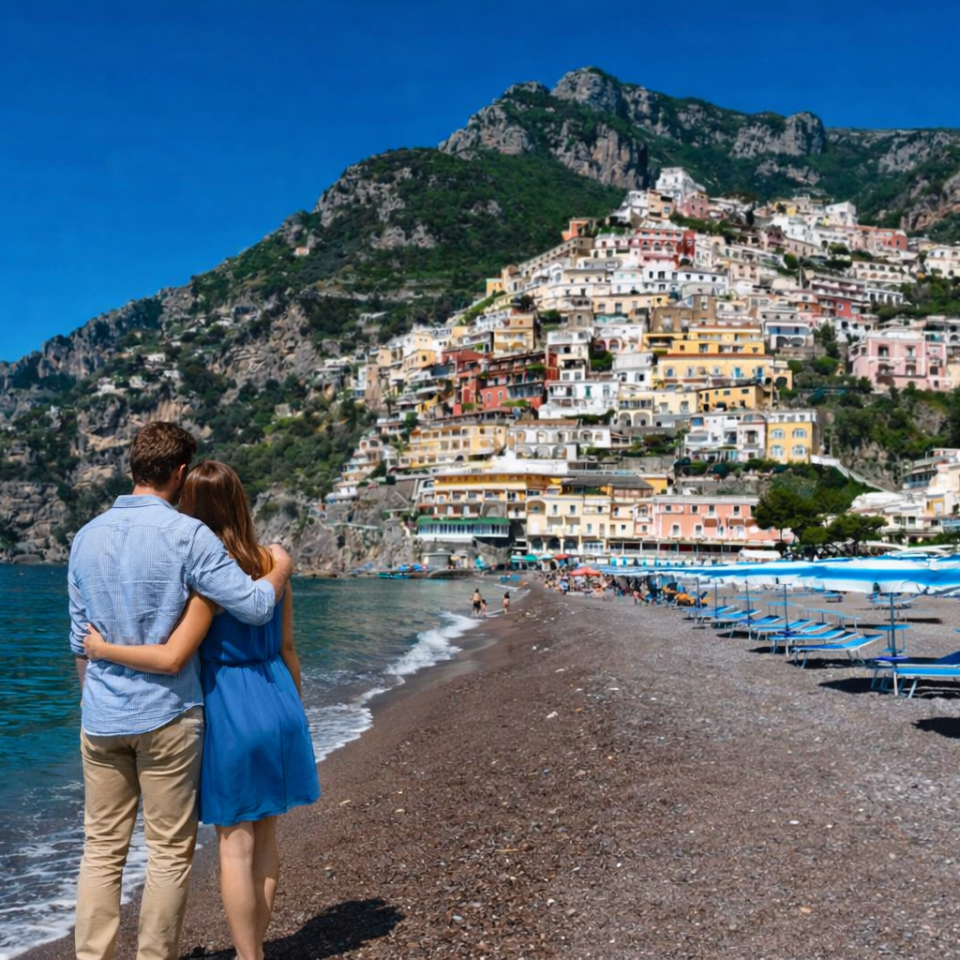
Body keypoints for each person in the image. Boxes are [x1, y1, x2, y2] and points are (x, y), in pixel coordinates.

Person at [68, 423, 293, 960]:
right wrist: (281, 564)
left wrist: (93, 698)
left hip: (100, 716)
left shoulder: (84, 537)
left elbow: (80, 639)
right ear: (180, 473)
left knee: (101, 851)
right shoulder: (188, 536)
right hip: (168, 713)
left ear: (130, 468)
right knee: (168, 854)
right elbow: (256, 607)